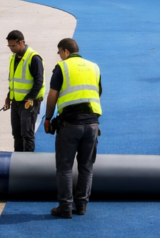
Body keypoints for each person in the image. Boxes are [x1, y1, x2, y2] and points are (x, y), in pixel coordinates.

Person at [43, 38, 101, 218]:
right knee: (86, 167)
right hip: (92, 124)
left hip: (70, 125)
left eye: (59, 52)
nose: (59, 56)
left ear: (66, 51)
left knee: (65, 167)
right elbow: (97, 92)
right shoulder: (94, 67)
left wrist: (47, 118)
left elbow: (52, 95)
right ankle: (82, 205)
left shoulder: (62, 67)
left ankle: (65, 207)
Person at [3, 30, 44, 152]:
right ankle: (18, 161)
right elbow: (13, 81)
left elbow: (39, 81)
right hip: (15, 102)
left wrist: (30, 98)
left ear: (22, 43)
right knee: (17, 134)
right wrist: (9, 96)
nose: (11, 48)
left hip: (29, 102)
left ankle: (28, 165)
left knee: (27, 134)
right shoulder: (13, 58)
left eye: (13, 46)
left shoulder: (34, 58)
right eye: (9, 46)